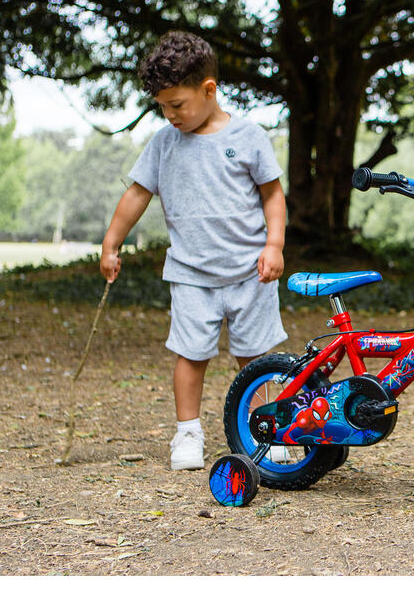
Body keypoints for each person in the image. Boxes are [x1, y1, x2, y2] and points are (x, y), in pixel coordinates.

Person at [100, 31, 287, 470]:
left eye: (177, 105)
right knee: (191, 354)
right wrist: (112, 243)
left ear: (208, 90)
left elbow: (272, 195)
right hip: (189, 274)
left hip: (250, 271)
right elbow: (136, 196)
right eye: (162, 106)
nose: (170, 115)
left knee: (256, 358)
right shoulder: (164, 144)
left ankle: (268, 430)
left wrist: (274, 244)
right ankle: (188, 433)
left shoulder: (248, 137)